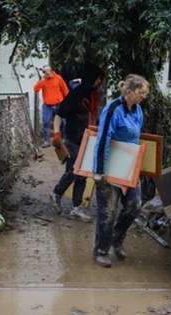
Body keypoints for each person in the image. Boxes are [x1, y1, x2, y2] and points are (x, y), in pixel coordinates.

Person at [92, 74, 150, 267]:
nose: (144, 96)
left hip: (128, 165)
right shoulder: (113, 109)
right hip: (109, 166)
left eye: (145, 93)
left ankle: (117, 238)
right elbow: (102, 139)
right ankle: (101, 251)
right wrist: (99, 171)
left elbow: (136, 139)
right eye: (141, 92)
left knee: (135, 205)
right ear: (128, 92)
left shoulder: (138, 110)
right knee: (107, 210)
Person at [50, 62, 105, 222]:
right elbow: (59, 114)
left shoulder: (95, 95)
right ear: (89, 78)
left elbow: (95, 117)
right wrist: (57, 134)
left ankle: (76, 208)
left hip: (89, 140)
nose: (98, 83)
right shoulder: (75, 95)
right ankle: (56, 193)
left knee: (83, 176)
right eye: (96, 79)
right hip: (73, 139)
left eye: (100, 80)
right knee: (73, 172)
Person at [33, 65, 69, 148]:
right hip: (47, 105)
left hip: (59, 104)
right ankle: (46, 141)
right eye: (44, 72)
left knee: (63, 122)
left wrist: (67, 102)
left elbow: (65, 90)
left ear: (50, 71)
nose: (45, 73)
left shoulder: (58, 78)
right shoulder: (43, 80)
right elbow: (35, 89)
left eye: (46, 71)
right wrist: (41, 81)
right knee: (46, 122)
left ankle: (64, 139)